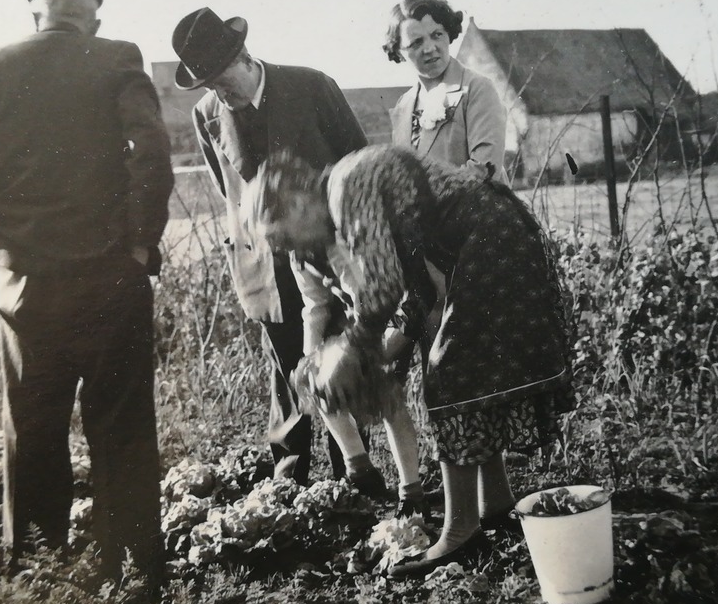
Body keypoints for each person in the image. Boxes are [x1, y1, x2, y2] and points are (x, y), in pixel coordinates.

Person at [0, 0, 174, 580]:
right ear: (91, 19)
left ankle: (38, 579)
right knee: (121, 429)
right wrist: (141, 243)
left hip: (25, 284)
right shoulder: (118, 57)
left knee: (33, 430)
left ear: (36, 17)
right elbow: (151, 150)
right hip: (112, 274)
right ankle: (135, 583)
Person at [245, 145, 575, 577]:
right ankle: (494, 505)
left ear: (297, 199)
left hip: (488, 239)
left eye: (285, 232)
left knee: (449, 377)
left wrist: (349, 348)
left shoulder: (346, 187)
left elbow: (382, 287)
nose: (292, 246)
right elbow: (412, 285)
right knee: (464, 372)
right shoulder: (346, 188)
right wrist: (379, 348)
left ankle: (461, 532)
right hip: (488, 237)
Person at [173, 6, 388, 495]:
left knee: (337, 354)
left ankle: (352, 475)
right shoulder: (208, 113)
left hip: (329, 249)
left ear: (244, 58)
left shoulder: (312, 86)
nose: (218, 92)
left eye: (221, 79)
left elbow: (360, 164)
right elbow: (230, 190)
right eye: (206, 83)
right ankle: (290, 476)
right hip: (263, 260)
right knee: (286, 362)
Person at [384, 0, 507, 173]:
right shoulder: (403, 106)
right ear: (399, 52)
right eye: (416, 42)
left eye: (437, 35)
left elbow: (485, 170)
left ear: (449, 35)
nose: (430, 48)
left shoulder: (477, 89)